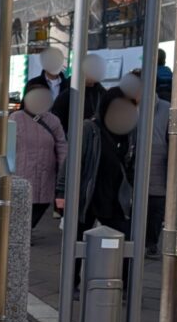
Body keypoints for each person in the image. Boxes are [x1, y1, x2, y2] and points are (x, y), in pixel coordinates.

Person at [56, 87, 140, 295]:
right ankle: (70, 284)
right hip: (87, 194)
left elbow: (131, 164)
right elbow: (71, 162)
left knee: (125, 241)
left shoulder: (130, 132)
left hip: (115, 196)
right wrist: (61, 193)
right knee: (75, 242)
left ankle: (123, 286)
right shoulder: (89, 129)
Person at [120, 69, 170, 259]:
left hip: (157, 166)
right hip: (130, 167)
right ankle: (132, 242)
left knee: (155, 209)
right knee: (130, 208)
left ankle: (150, 244)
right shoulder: (123, 107)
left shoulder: (166, 108)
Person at [11, 79, 67, 228]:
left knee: (41, 205)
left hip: (45, 173)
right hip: (21, 172)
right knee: (21, 205)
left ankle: (25, 231)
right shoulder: (15, 118)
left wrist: (64, 168)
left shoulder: (53, 120)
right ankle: (20, 234)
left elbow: (61, 144)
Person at [52, 53, 108, 137]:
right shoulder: (68, 94)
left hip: (96, 144)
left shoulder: (102, 94)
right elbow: (56, 123)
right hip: (72, 142)